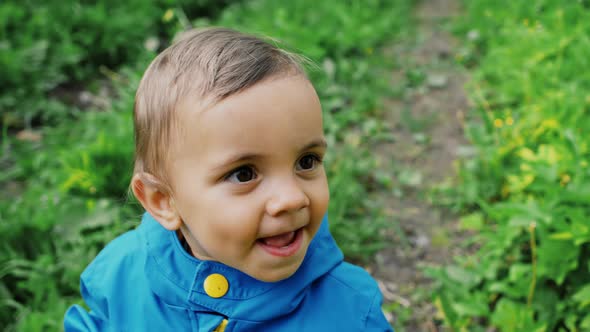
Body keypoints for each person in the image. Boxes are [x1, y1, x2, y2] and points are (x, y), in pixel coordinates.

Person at [64, 27, 393, 331]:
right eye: (244, 174)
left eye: (306, 161)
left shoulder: (349, 312)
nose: (292, 198)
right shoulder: (122, 276)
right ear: (163, 201)